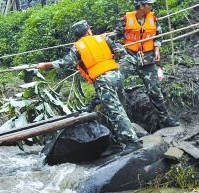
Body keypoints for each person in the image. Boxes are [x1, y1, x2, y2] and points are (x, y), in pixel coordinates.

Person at [36, 20, 143, 156]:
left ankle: (133, 141)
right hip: (117, 75)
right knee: (117, 109)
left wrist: (45, 65)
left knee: (115, 111)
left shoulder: (77, 47)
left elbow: (64, 63)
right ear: (88, 31)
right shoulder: (103, 38)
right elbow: (121, 52)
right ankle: (116, 144)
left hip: (103, 80)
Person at [84, 0, 180, 128]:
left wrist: (157, 50)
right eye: (149, 4)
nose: (151, 6)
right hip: (130, 56)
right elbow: (117, 34)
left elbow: (158, 36)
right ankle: (91, 104)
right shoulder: (125, 20)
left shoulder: (153, 19)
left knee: (155, 90)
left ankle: (164, 119)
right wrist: (106, 37)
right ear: (141, 6)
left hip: (147, 58)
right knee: (113, 80)